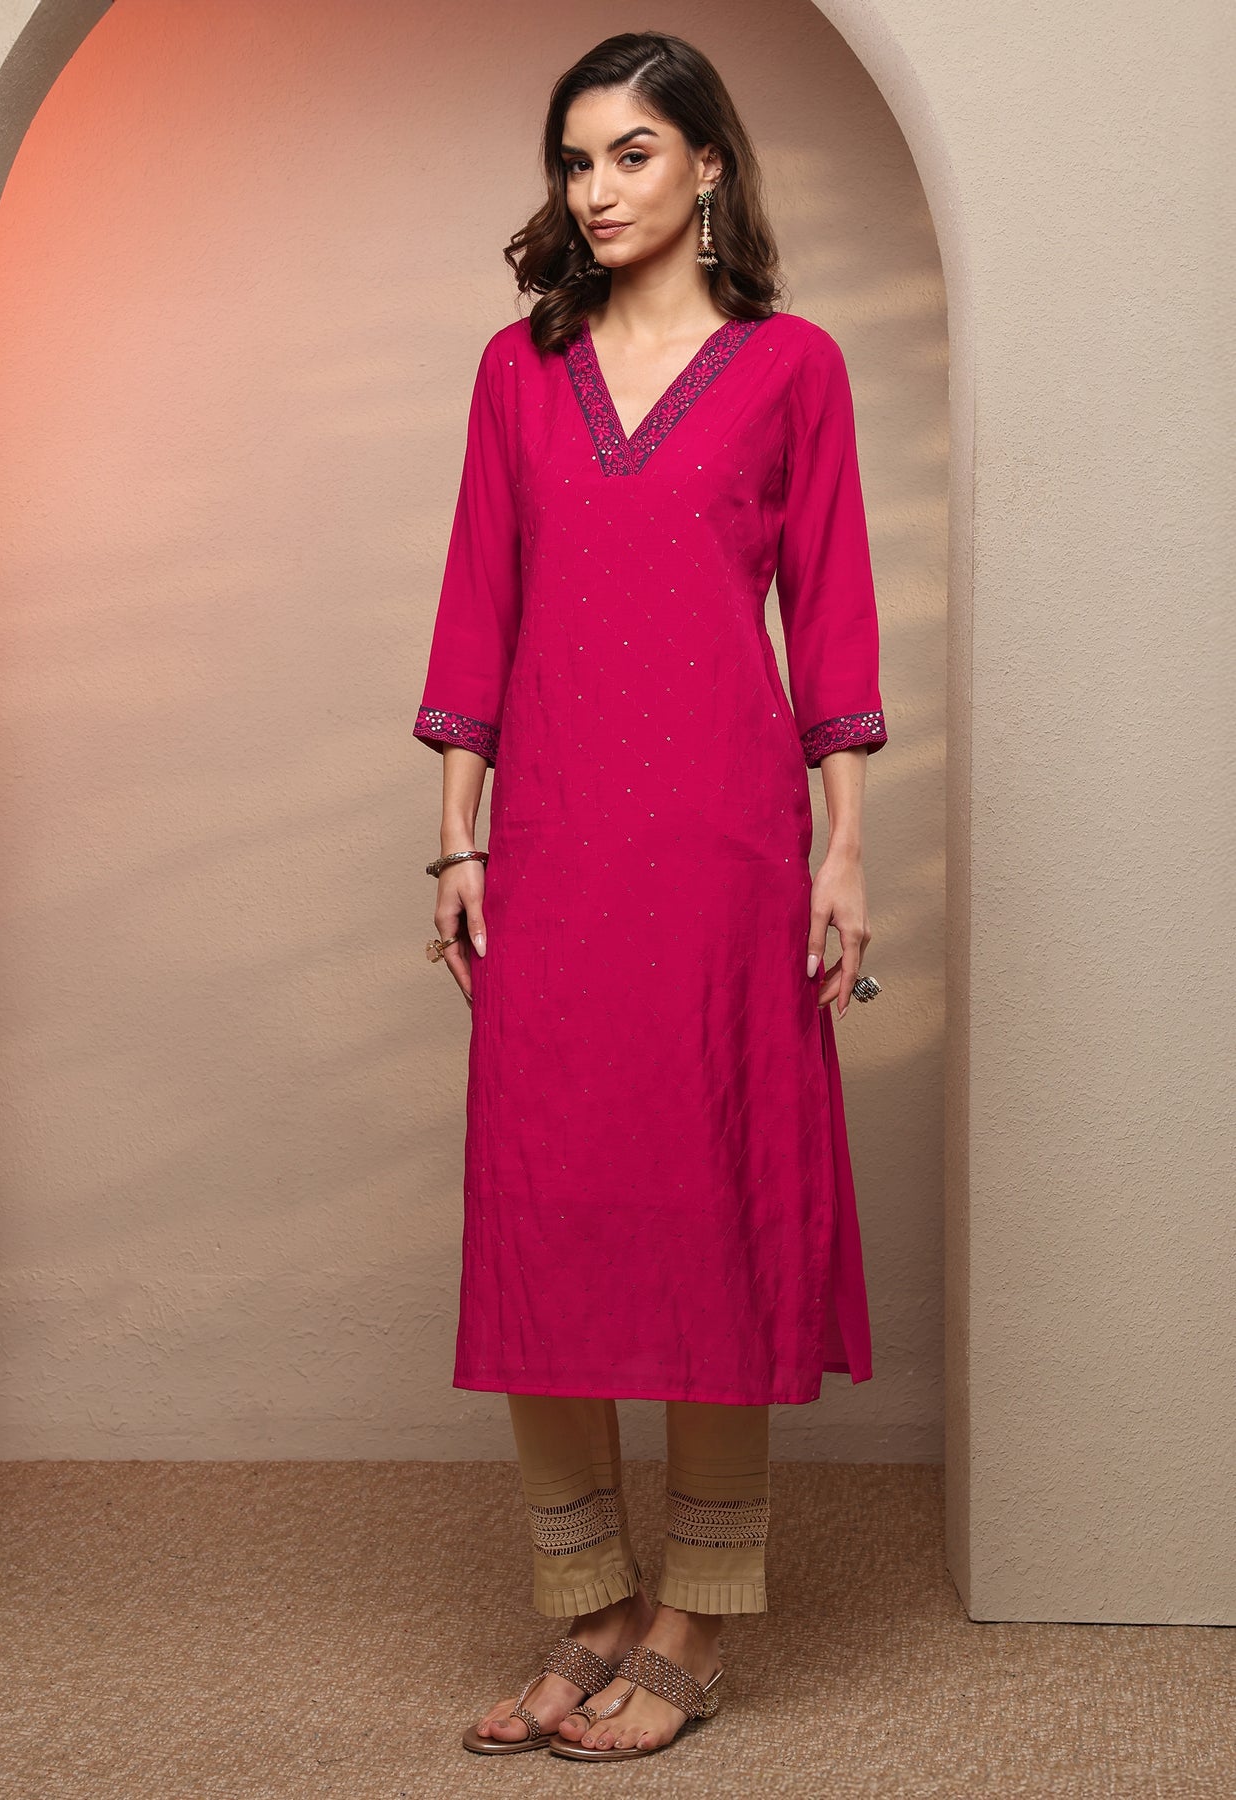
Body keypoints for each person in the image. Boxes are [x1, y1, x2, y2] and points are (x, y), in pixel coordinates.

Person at [413, 30, 888, 1763]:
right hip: (552, 847)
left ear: (705, 166)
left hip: (723, 850)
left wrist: (844, 848)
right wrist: (457, 838)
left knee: (709, 1211)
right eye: (574, 160)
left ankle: (695, 1617)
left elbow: (829, 612)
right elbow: (477, 602)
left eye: (629, 153)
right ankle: (589, 1606)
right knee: (543, 1212)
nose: (597, 189)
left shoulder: (792, 368)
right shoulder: (517, 371)